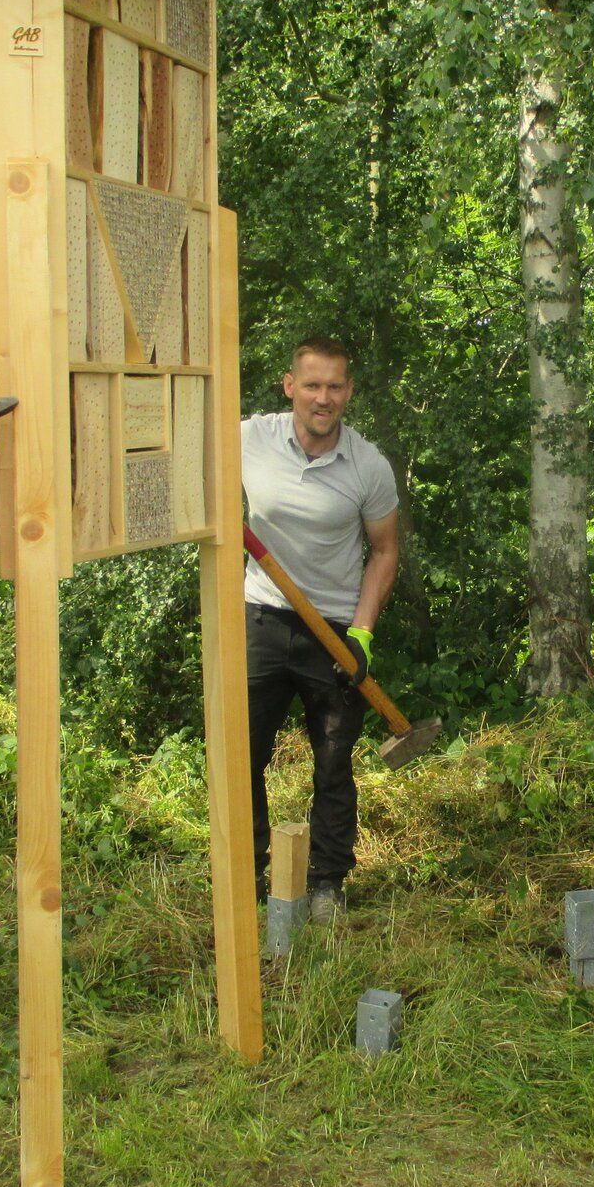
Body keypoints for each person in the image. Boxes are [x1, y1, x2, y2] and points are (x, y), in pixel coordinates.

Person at [242, 336, 400, 920]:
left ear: (349, 391)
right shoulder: (248, 440)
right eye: (312, 385)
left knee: (334, 760)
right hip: (259, 615)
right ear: (290, 386)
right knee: (243, 756)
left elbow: (385, 551)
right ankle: (251, 876)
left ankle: (327, 883)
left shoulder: (369, 465)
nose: (323, 398)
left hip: (332, 629)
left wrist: (361, 633)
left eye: (335, 386)